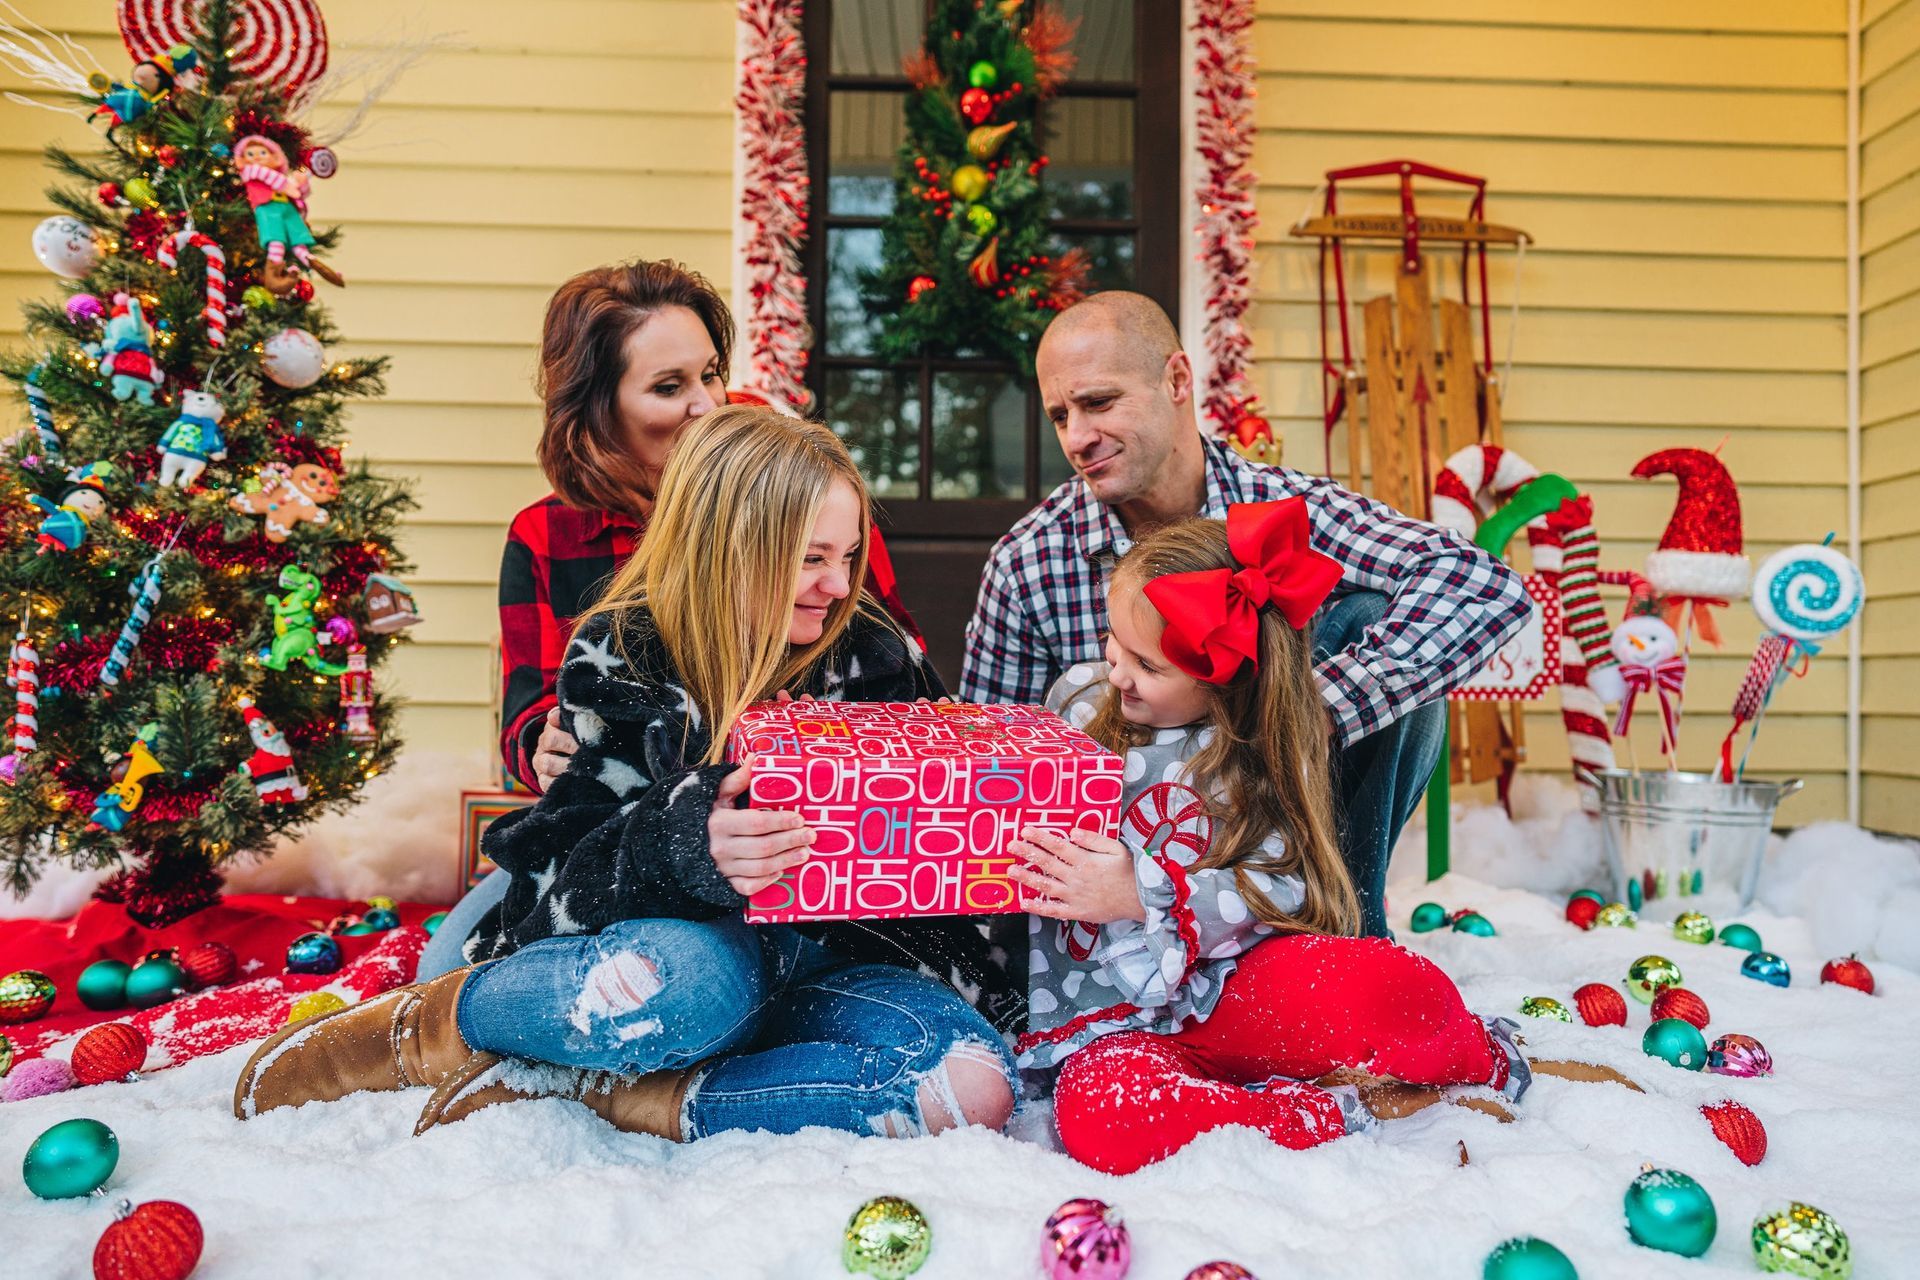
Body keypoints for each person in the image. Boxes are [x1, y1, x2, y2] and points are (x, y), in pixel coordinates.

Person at [234, 407, 1019, 1143]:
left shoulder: (874, 654)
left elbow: (943, 845)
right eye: (811, 559)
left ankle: (623, 1091)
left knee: (970, 1089)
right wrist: (690, 837)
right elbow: (558, 879)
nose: (840, 586)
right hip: (691, 950)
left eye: (847, 556)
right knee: (686, 995)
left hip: (836, 959)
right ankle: (439, 1021)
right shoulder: (626, 653)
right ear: (726, 548)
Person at [1007, 503, 1633, 1174]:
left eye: (1148, 666)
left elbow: (1280, 887)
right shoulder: (1076, 704)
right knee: (1108, 1118)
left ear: (1226, 680)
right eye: (1113, 642)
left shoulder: (1256, 751)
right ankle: (1333, 1111)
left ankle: (1479, 1057)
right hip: (1106, 1015)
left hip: (1232, 986)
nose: (1118, 671)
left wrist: (1141, 891)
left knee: (1389, 986)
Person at [962, 291, 1531, 936]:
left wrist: (1309, 709)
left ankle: (1346, 931)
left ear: (1177, 380)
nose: (1077, 437)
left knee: (1373, 619)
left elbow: (1484, 587)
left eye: (1098, 403)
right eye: (1060, 415)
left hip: (1293, 849)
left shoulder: (1284, 510)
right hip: (1127, 887)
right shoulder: (1028, 560)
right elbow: (991, 767)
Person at [422, 260, 920, 979]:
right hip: (613, 833)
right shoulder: (549, 539)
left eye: (710, 374)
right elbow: (528, 717)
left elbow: (880, 653)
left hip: (785, 840)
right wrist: (551, 742)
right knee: (448, 970)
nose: (705, 405)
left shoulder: (794, 505)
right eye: (667, 387)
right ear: (599, 408)